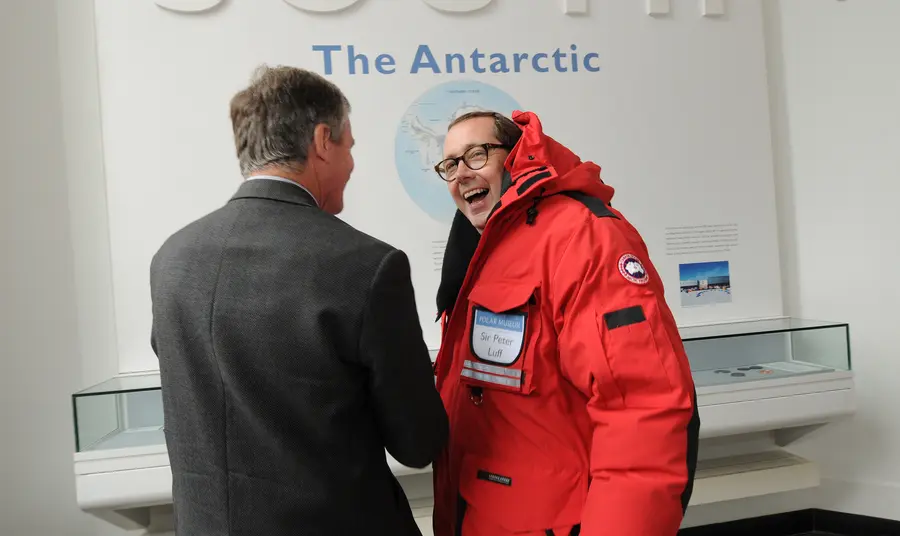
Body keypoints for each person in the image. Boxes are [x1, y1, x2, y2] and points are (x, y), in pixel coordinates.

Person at [149, 65, 448, 536]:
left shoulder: (172, 258)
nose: (351, 164)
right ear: (323, 140)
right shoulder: (367, 265)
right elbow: (418, 442)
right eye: (350, 147)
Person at [431, 110, 700, 536]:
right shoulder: (478, 249)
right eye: (449, 165)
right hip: (484, 514)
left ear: (517, 157)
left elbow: (641, 406)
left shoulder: (582, 235)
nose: (461, 174)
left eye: (476, 155)